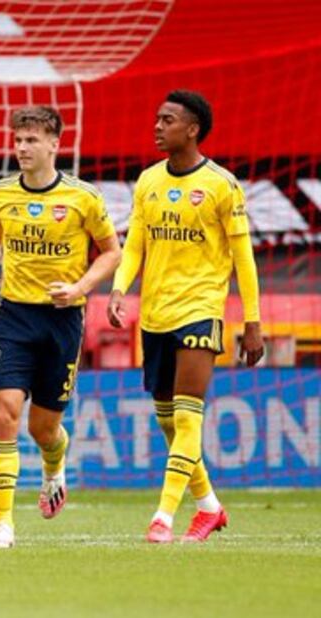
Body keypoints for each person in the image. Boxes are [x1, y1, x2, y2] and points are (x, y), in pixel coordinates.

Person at [108, 90, 263, 544]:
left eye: (168, 120)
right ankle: (210, 507)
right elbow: (136, 242)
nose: (157, 126)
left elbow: (244, 258)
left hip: (200, 311)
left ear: (192, 128)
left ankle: (163, 516)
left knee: (189, 417)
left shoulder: (221, 185)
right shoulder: (148, 181)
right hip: (155, 315)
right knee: (170, 422)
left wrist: (252, 322)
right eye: (157, 119)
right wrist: (119, 287)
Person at [0, 105, 121, 549]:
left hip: (62, 321)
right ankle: (3, 526)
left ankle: (53, 465)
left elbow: (112, 252)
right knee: (4, 412)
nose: (21, 147)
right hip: (15, 316)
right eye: (18, 139)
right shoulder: (0, 192)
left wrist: (79, 286)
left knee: (43, 429)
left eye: (31, 139)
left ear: (54, 144)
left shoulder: (83, 197)